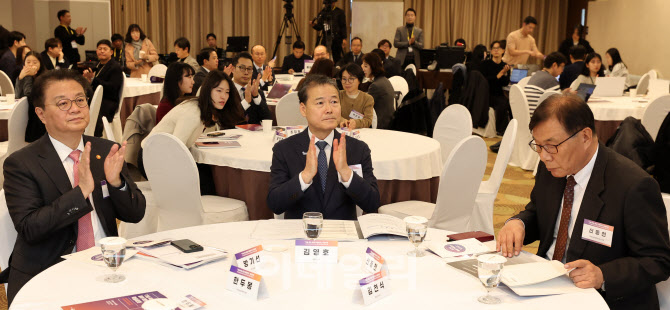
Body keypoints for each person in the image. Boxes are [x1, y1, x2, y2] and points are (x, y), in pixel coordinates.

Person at [496, 93, 670, 310]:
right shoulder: (551, 167)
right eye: (538, 146)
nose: (543, 156)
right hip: (543, 286)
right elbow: (539, 211)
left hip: (602, 299)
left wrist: (602, 275)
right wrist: (518, 223)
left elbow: (658, 260)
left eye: (551, 145)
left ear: (585, 137)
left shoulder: (633, 186)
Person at [3, 69, 146, 306]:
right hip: (47, 273)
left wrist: (116, 183)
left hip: (106, 268)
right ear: (41, 114)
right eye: (63, 103)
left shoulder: (104, 150)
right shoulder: (21, 163)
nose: (75, 108)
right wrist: (81, 193)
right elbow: (30, 228)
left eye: (80, 100)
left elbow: (135, 214)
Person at [267, 74, 380, 220]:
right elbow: (275, 204)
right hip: (300, 234)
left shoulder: (357, 149)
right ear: (303, 109)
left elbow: (372, 204)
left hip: (343, 235)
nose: (329, 109)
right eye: (320, 103)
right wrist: (305, 176)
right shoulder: (284, 149)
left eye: (334, 102)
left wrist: (346, 173)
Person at [141, 70, 245, 193]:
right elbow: (174, 149)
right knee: (206, 183)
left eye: (227, 92)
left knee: (208, 175)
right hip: (152, 157)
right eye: (219, 91)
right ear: (207, 91)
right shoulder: (193, 113)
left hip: (163, 154)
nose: (224, 96)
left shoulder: (202, 108)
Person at [82, 40, 124, 137]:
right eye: (99, 49)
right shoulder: (98, 65)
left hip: (107, 102)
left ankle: (92, 137)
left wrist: (93, 80)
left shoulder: (115, 67)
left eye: (105, 49)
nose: (102, 51)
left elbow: (112, 89)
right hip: (98, 100)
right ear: (96, 51)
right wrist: (88, 80)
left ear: (111, 52)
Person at [231, 52, 272, 124]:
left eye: (249, 69)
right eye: (242, 68)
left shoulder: (257, 92)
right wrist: (246, 102)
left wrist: (256, 97)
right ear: (233, 69)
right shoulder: (226, 92)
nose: (246, 72)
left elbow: (267, 120)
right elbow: (228, 120)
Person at [480, 40, 511, 136]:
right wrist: (500, 73)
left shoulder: (504, 66)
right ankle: (499, 130)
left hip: (498, 93)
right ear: (491, 51)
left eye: (498, 48)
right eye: (494, 48)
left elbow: (505, 83)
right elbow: (485, 81)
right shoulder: (485, 64)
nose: (496, 50)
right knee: (501, 104)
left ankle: (507, 130)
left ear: (503, 51)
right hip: (487, 93)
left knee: (507, 103)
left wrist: (505, 73)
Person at [524, 52, 566, 116]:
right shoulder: (551, 80)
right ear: (554, 65)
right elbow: (558, 105)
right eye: (562, 67)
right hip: (538, 119)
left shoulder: (536, 75)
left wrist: (563, 93)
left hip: (527, 116)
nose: (562, 70)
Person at [362, 53, 394, 130]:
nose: (363, 68)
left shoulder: (375, 86)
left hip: (379, 125)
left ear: (373, 67)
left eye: (366, 66)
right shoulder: (384, 80)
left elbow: (364, 107)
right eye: (362, 65)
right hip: (389, 122)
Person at [338, 63, 374, 129]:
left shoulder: (367, 99)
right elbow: (332, 115)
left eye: (351, 79)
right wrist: (343, 121)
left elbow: (368, 121)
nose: (347, 82)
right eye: (344, 79)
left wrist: (356, 123)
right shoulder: (337, 95)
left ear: (359, 80)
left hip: (360, 133)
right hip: (340, 131)